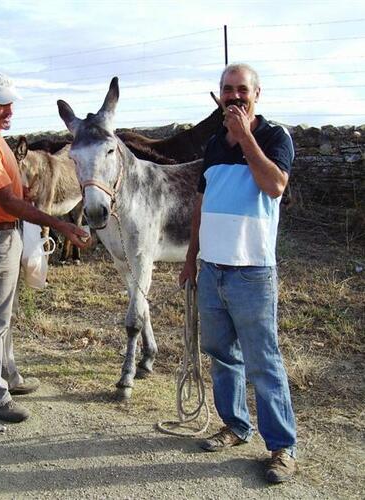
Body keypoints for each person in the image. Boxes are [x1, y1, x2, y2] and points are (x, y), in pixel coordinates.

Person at [179, 63, 297, 483]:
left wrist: (245, 136)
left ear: (257, 94)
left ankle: (282, 447)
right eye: (227, 90)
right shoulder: (213, 145)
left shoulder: (274, 137)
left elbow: (275, 186)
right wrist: (192, 258)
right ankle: (235, 425)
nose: (234, 96)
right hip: (212, 270)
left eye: (241, 90)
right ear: (219, 94)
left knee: (263, 362)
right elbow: (200, 205)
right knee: (221, 354)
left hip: (252, 272)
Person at [0, 73, 89, 423]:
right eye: (1, 103)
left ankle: (8, 377)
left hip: (2, 235)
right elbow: (5, 201)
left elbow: (8, 193)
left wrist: (20, 195)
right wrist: (60, 225)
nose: (8, 109)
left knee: (3, 316)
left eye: (10, 102)